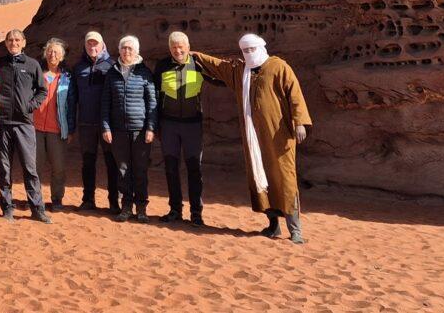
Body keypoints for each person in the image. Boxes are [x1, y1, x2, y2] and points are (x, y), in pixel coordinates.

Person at [194, 32, 313, 243]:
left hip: (279, 136)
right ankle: (273, 225)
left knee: (284, 178)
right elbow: (217, 66)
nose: (249, 53)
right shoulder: (241, 71)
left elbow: (294, 94)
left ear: (261, 47)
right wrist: (193, 54)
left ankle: (295, 230)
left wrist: (300, 122)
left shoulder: (278, 67)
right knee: (261, 178)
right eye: (245, 50)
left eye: (252, 49)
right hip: (254, 138)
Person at [0, 29, 52, 222]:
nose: (14, 43)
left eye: (17, 40)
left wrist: (29, 106)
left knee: (30, 167)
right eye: (10, 40)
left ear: (24, 42)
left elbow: (42, 91)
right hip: (3, 124)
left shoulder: (32, 64)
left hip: (24, 124)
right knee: (4, 168)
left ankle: (37, 209)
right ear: (6, 43)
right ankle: (7, 208)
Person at [100, 34, 157, 222]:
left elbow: (152, 102)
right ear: (119, 50)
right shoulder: (112, 72)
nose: (126, 51)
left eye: (130, 48)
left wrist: (151, 128)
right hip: (118, 131)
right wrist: (106, 127)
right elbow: (105, 103)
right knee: (123, 170)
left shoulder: (144, 73)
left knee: (140, 170)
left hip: (140, 131)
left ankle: (141, 208)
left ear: (137, 51)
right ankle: (126, 207)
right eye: (123, 48)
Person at [153, 30, 207, 226]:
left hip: (192, 125)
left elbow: (220, 77)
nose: (178, 51)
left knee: (194, 169)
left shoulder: (198, 65)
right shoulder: (162, 66)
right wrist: (155, 124)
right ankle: (175, 209)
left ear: (188, 47)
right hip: (169, 125)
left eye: (181, 47)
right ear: (169, 49)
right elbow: (154, 95)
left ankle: (196, 213)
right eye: (174, 47)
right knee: (171, 168)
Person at [68, 30, 118, 213]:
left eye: (95, 43)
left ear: (102, 45)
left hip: (107, 125)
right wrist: (71, 125)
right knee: (88, 163)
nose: (92, 46)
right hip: (86, 124)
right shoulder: (78, 67)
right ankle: (88, 200)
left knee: (111, 162)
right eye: (89, 43)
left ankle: (114, 201)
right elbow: (72, 98)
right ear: (85, 45)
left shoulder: (112, 65)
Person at [33, 38, 72, 209]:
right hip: (35, 127)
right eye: (49, 51)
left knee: (58, 167)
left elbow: (71, 104)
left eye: (56, 52)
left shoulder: (67, 78)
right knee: (35, 166)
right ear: (45, 54)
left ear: (62, 56)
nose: (52, 55)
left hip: (57, 129)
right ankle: (35, 199)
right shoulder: (37, 74)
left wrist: (71, 129)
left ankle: (57, 199)